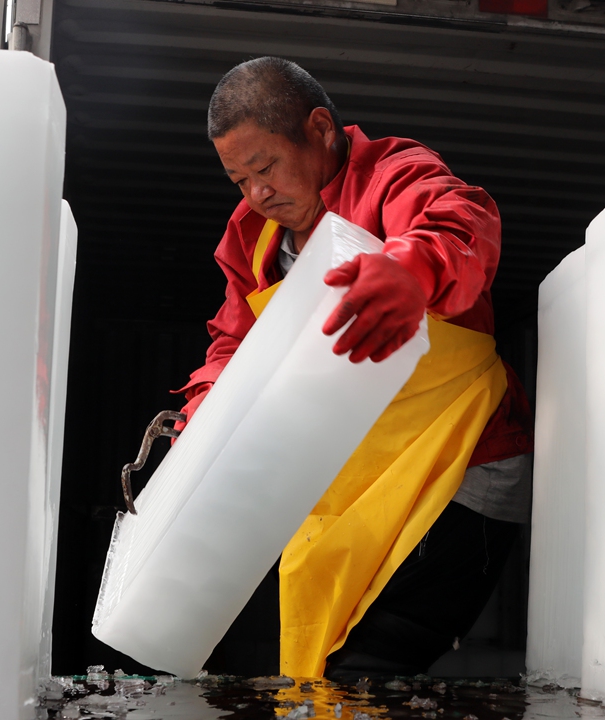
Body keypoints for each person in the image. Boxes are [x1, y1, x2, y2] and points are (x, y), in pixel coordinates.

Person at [176, 56, 533, 680]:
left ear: (319, 130)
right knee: (319, 667)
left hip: (459, 467)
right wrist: (202, 412)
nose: (257, 193)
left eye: (265, 168)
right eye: (238, 179)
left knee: (370, 664)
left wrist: (410, 270)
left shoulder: (393, 175)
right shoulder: (250, 239)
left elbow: (461, 223)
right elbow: (232, 344)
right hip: (355, 483)